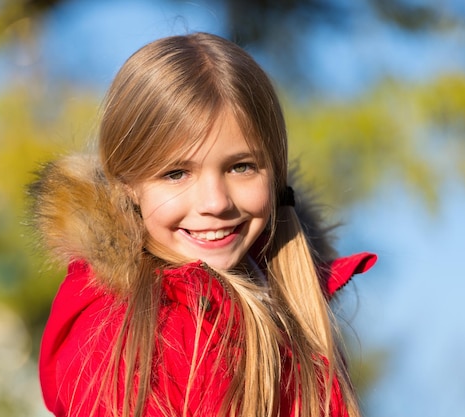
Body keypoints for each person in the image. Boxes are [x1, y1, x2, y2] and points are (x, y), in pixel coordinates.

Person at [29, 32, 376, 417]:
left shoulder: (295, 308)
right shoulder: (131, 333)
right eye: (176, 173)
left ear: (274, 174)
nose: (215, 202)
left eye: (241, 167)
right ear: (128, 186)